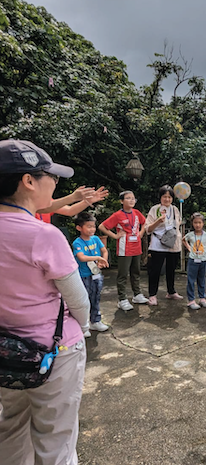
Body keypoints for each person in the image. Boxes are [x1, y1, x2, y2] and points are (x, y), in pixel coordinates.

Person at [0, 139, 90, 464]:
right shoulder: (44, 235)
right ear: (28, 181)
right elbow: (79, 302)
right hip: (53, 354)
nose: (54, 182)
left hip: (5, 353)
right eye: (49, 175)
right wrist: (84, 325)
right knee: (56, 441)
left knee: (11, 430)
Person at [98, 190, 147, 311]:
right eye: (128, 198)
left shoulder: (136, 213)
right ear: (121, 201)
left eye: (133, 198)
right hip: (124, 249)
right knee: (123, 274)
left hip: (137, 247)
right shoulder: (117, 215)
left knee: (136, 272)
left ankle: (137, 294)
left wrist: (140, 233)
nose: (131, 200)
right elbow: (102, 226)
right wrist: (114, 236)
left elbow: (145, 222)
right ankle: (122, 299)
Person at [144, 185, 183, 306]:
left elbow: (178, 223)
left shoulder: (175, 209)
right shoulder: (155, 209)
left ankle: (171, 291)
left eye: (169, 197)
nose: (167, 199)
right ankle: (152, 295)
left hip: (173, 244)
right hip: (158, 244)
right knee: (155, 270)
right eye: (164, 196)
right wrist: (158, 221)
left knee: (171, 269)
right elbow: (147, 229)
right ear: (160, 197)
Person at [73, 212, 109, 335]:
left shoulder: (96, 239)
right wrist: (98, 257)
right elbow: (81, 257)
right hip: (83, 276)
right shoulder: (77, 243)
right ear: (79, 228)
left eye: (93, 226)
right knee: (83, 300)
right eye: (89, 226)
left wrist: (102, 261)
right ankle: (83, 325)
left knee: (96, 297)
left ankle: (95, 321)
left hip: (96, 274)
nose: (92, 229)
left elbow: (104, 250)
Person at [183, 213, 206, 309]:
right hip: (193, 260)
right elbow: (183, 240)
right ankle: (191, 300)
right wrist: (189, 248)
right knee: (191, 280)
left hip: (203, 260)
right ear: (192, 223)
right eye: (195, 222)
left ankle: (202, 298)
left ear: (203, 223)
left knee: (202, 280)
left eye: (199, 222)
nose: (198, 225)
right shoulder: (190, 235)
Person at [36, 185, 109, 223]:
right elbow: (42, 208)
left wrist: (87, 201)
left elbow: (69, 210)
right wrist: (73, 197)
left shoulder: (47, 200)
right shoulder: (26, 201)